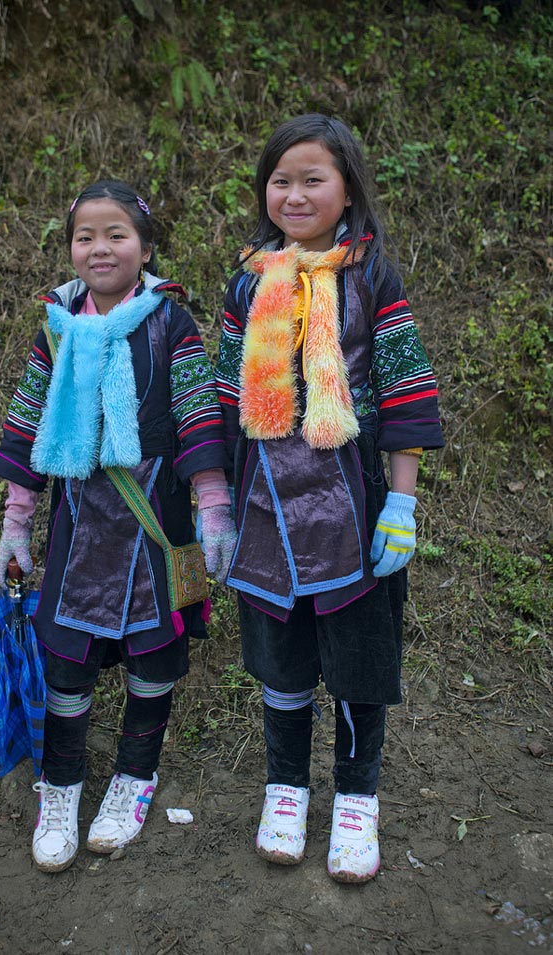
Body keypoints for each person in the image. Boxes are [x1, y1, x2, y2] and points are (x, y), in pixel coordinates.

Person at [215, 114, 444, 883]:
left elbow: (407, 389)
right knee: (280, 661)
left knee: (356, 660)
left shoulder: (371, 275)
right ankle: (285, 788)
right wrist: (213, 505)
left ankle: (355, 800)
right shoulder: (246, 278)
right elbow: (220, 397)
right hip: (263, 510)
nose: (296, 192)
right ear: (264, 192)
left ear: (347, 190)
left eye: (313, 177)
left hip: (352, 506)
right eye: (282, 179)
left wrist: (402, 505)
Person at [0, 179, 237, 873]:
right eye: (84, 236)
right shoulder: (54, 328)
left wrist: (213, 508)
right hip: (77, 531)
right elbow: (27, 425)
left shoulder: (170, 323)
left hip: (152, 522)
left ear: (145, 246)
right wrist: (16, 524)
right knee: (66, 668)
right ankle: (61, 788)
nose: (100, 247)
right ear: (70, 248)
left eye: (116, 234)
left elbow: (196, 416)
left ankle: (133, 778)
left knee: (151, 665)